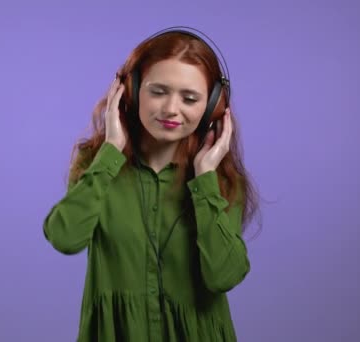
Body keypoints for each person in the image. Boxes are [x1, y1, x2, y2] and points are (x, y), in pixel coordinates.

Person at [42, 26, 261, 342]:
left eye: (190, 98)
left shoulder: (220, 183)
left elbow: (223, 275)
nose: (171, 109)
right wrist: (109, 155)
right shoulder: (98, 166)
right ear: (130, 90)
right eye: (158, 91)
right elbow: (64, 237)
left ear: (211, 107)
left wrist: (205, 183)